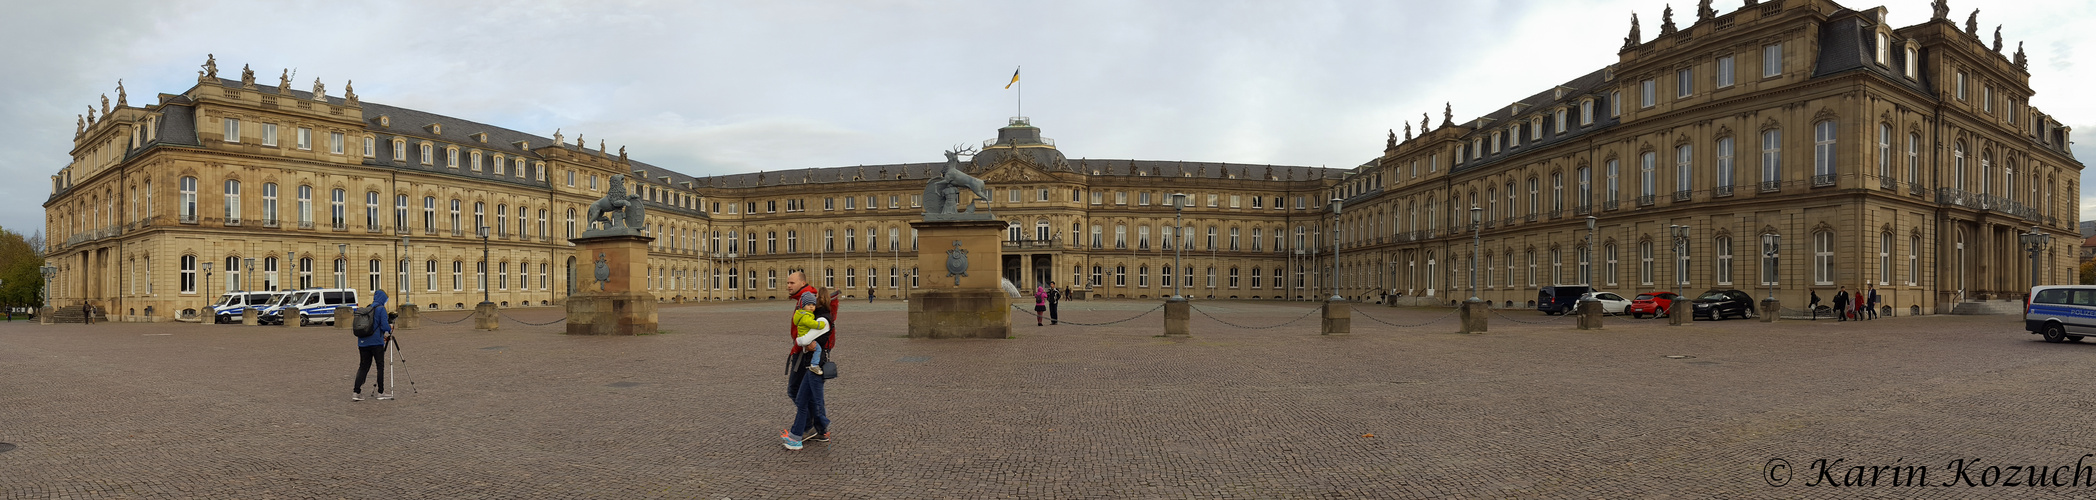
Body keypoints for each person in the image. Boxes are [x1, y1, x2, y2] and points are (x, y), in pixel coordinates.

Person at [780, 271, 831, 450]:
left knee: (797, 392)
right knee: (804, 394)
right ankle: (819, 427)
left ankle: (813, 427)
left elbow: (824, 324)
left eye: (791, 282)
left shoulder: (809, 300)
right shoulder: (804, 299)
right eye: (787, 283)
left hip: (805, 354)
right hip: (801, 351)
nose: (788, 286)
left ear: (802, 283)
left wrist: (813, 343)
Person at [352, 289, 393, 401]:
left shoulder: (368, 309)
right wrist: (390, 328)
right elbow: (385, 327)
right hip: (376, 342)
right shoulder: (381, 309)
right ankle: (381, 392)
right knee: (380, 366)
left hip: (362, 342)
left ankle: (356, 392)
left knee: (363, 366)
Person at [793, 294, 831, 375]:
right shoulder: (806, 316)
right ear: (803, 306)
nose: (811, 307)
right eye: (808, 305)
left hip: (802, 336)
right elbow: (811, 323)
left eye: (813, 305)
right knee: (818, 349)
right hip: (805, 337)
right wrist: (820, 324)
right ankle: (814, 365)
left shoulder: (802, 314)